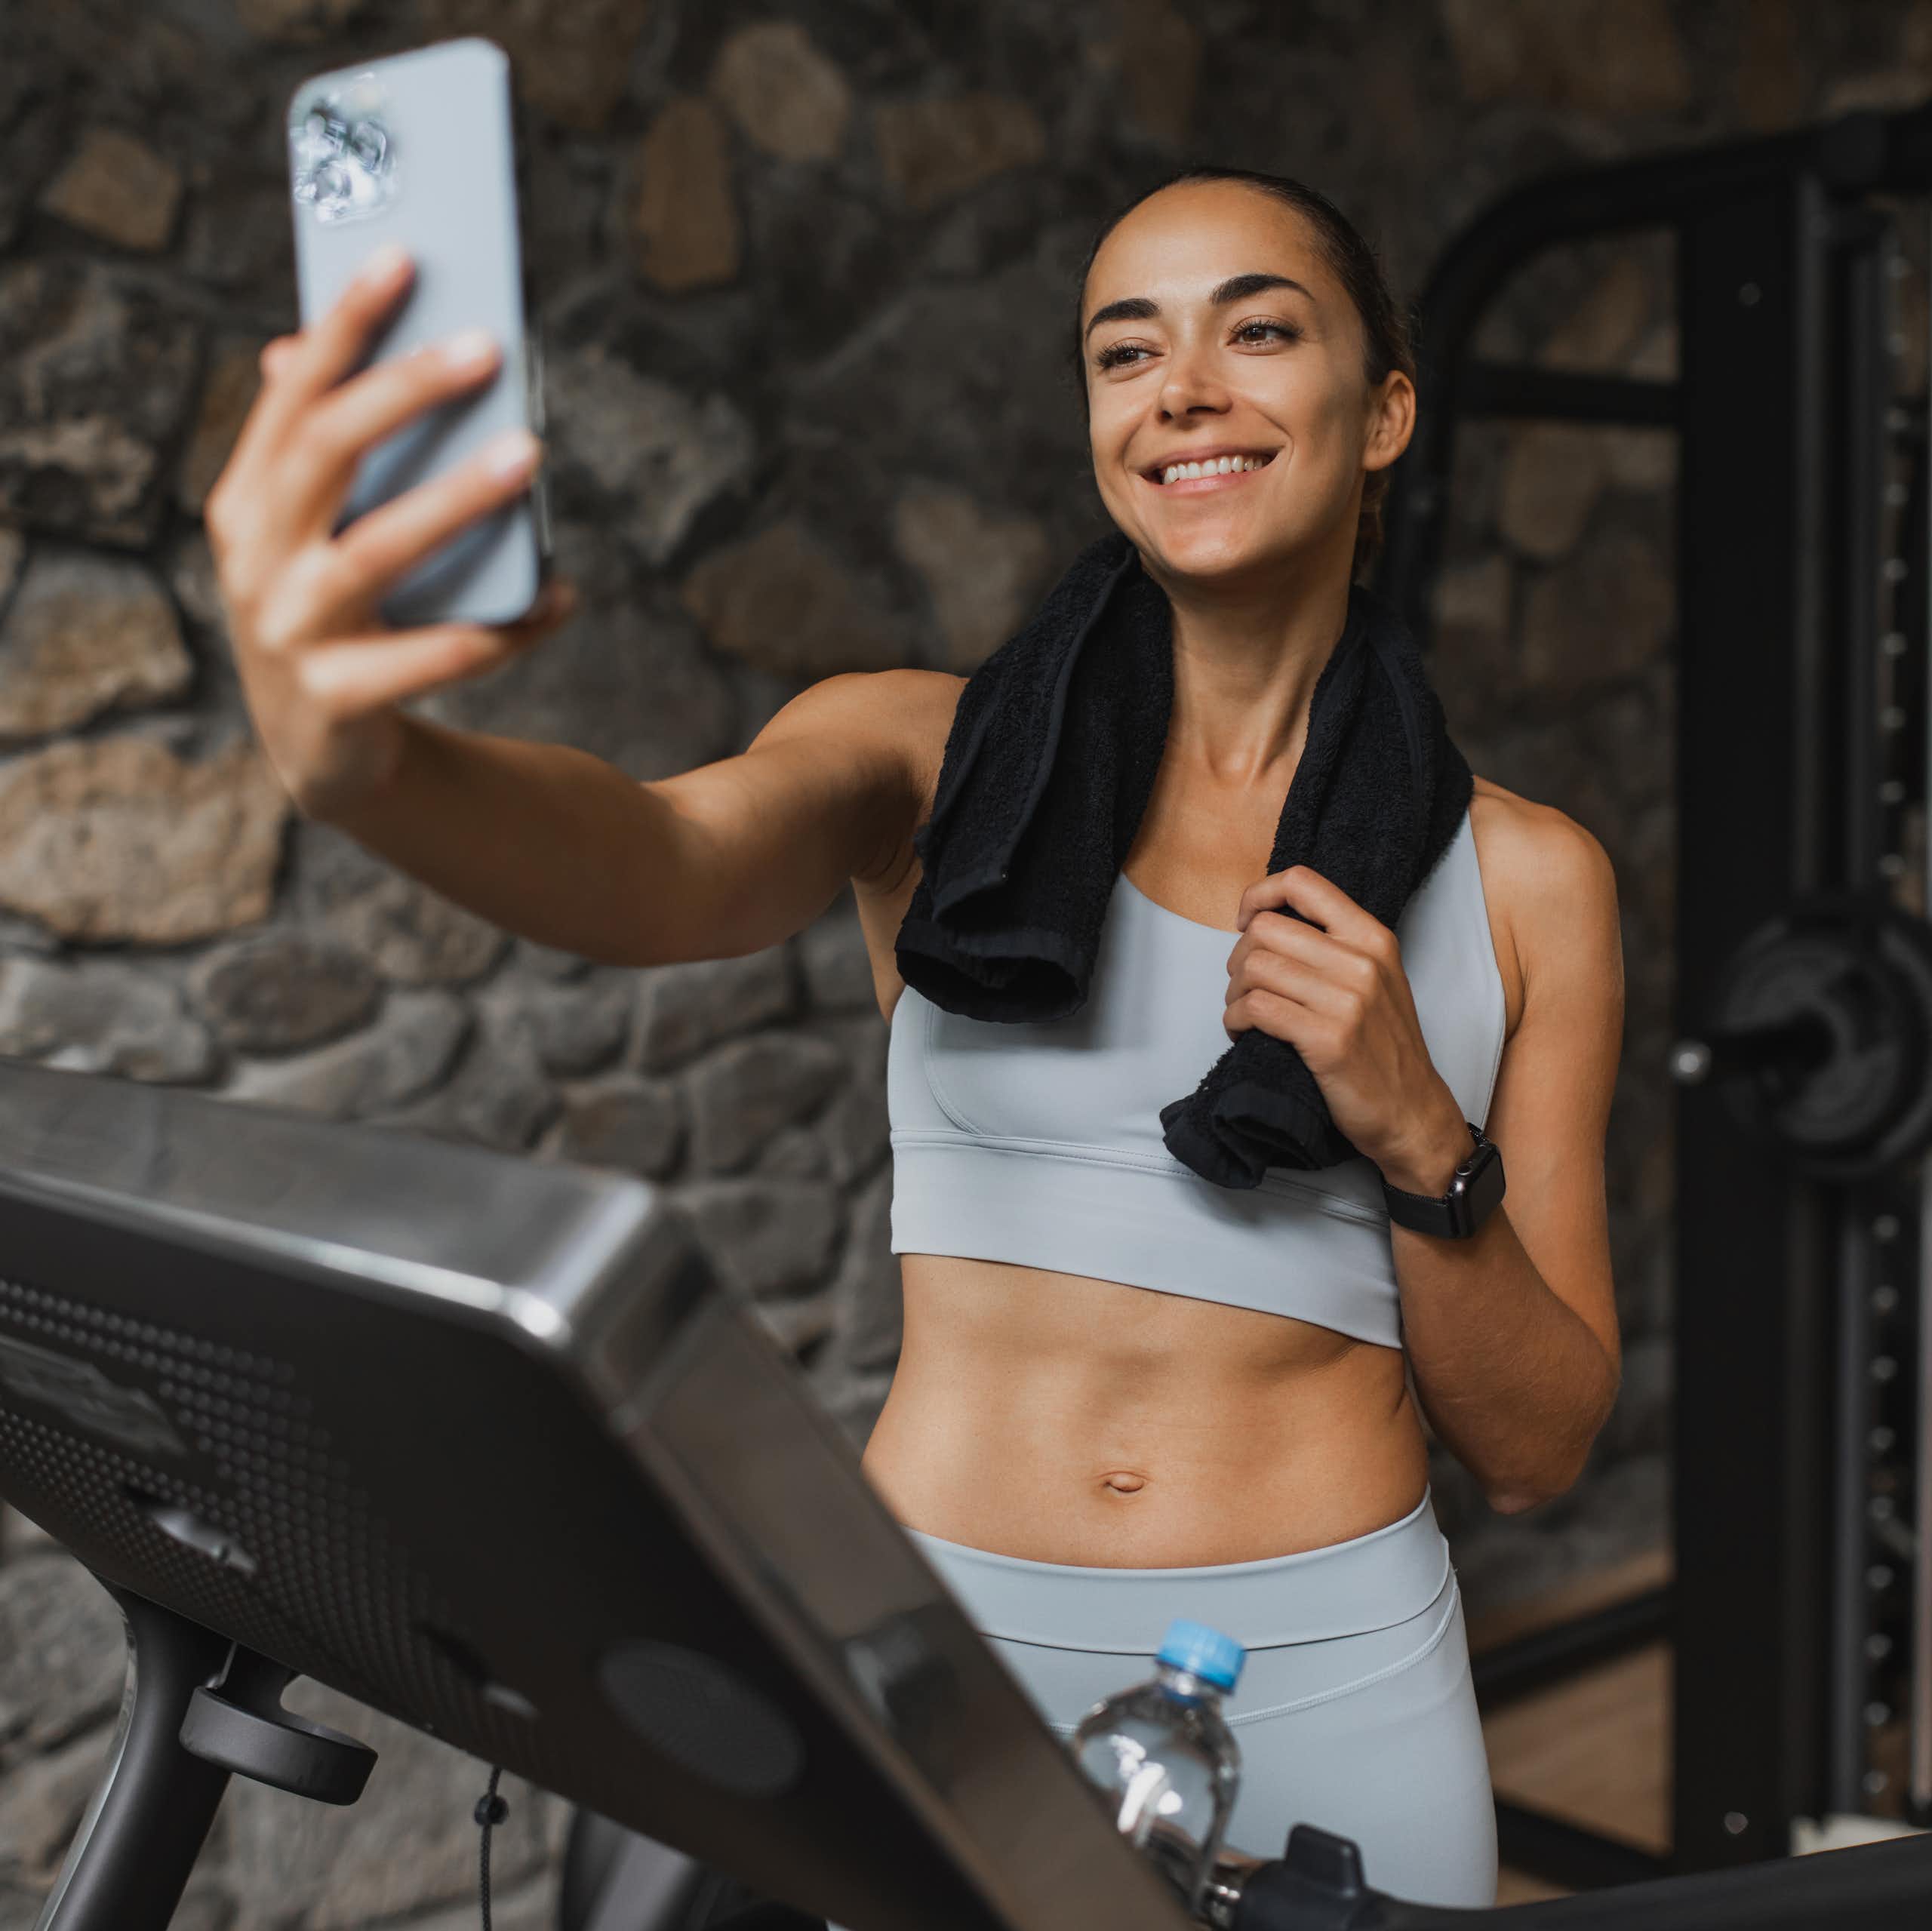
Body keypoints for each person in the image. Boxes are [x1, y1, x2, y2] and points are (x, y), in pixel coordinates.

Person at [208, 165, 1624, 1914]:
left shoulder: (1528, 881)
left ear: (1384, 405)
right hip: (935, 1652)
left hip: (1331, 1674)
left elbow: (1541, 1439)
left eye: (1255, 329)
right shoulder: (926, 761)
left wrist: (1417, 1133)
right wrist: (373, 769)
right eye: (1125, 352)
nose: (1182, 387)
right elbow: (656, 867)